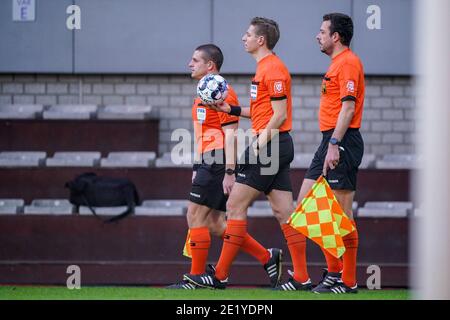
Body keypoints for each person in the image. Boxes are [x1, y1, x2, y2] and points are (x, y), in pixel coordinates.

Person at [184, 18, 312, 291]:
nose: (244, 38)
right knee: (283, 212)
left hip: (270, 145)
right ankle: (301, 277)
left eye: (248, 34)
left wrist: (257, 144)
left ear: (261, 40)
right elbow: (261, 113)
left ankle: (219, 276)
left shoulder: (274, 69)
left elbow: (280, 115)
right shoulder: (263, 68)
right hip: (275, 144)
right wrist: (227, 109)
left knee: (234, 207)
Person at [167, 44, 282, 289]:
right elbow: (203, 132)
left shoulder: (222, 91)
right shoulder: (204, 91)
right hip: (208, 159)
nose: (190, 64)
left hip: (217, 160)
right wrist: (197, 165)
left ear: (211, 65)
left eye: (196, 60)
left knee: (195, 215)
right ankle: (266, 256)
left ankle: (196, 279)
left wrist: (229, 171)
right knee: (215, 223)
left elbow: (231, 135)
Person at [297, 13, 365, 294]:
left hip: (343, 141)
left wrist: (335, 144)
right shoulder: (336, 64)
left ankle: (346, 281)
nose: (318, 35)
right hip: (329, 141)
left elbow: (347, 109)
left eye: (322, 31)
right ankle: (335, 273)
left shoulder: (348, 62)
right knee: (306, 204)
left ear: (336, 36)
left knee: (342, 213)